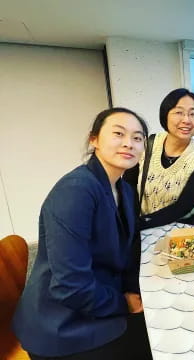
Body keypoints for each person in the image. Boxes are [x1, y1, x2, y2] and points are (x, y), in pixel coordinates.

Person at [13, 108, 153, 359]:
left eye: (137, 137)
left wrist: (135, 288)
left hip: (94, 296)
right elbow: (70, 286)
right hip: (61, 323)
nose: (128, 143)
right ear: (94, 139)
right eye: (118, 133)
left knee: (158, 320)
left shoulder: (124, 189)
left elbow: (128, 247)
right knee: (153, 342)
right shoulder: (76, 190)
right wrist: (124, 302)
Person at [125, 88, 194, 229]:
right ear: (165, 115)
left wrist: (141, 223)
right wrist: (130, 219)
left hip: (183, 230)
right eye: (179, 112)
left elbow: (182, 206)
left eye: (193, 114)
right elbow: (128, 185)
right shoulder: (148, 144)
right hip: (142, 228)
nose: (186, 120)